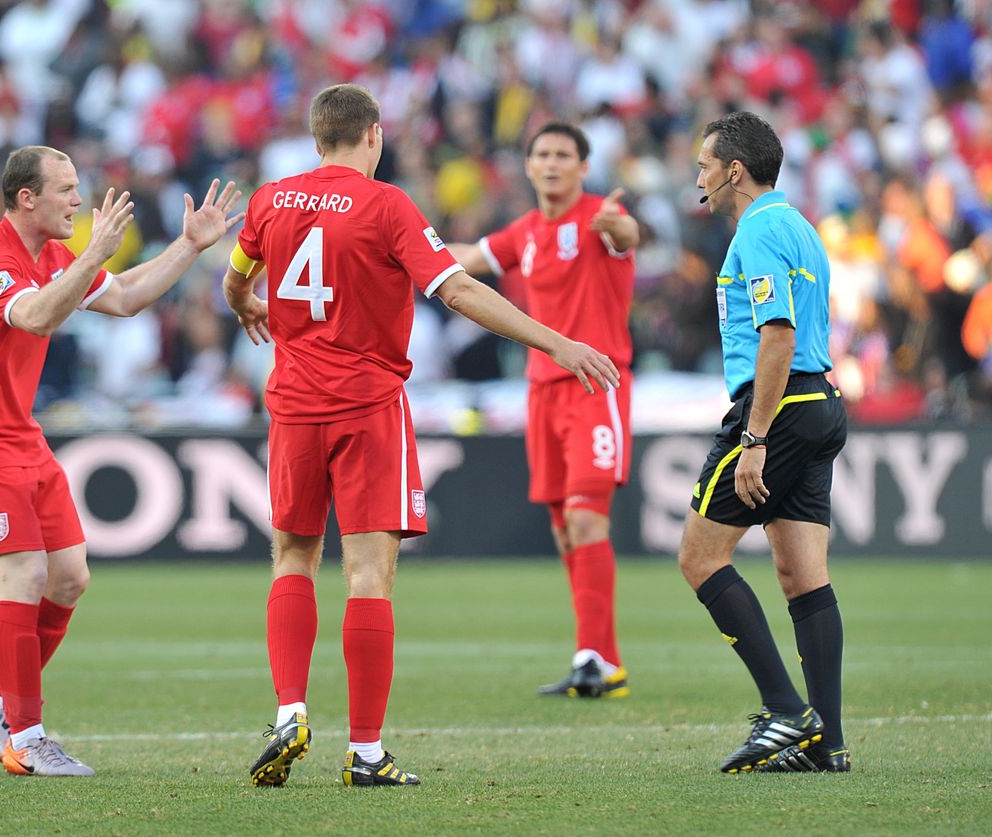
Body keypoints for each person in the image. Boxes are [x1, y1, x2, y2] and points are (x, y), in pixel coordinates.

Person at [222, 84, 621, 788]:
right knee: (368, 573)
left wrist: (246, 302)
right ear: (373, 135)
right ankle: (367, 752)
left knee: (292, 555)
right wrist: (556, 342)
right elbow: (459, 291)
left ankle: (289, 709)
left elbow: (234, 279)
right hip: (367, 403)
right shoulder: (386, 205)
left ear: (317, 138)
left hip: (290, 402)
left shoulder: (270, 200)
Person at [0, 145, 242, 777]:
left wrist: (191, 246)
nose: (79, 199)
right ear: (26, 198)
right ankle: (27, 736)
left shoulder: (49, 256)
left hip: (19, 433)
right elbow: (37, 317)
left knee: (70, 578)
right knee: (25, 577)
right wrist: (94, 254)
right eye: (67, 189)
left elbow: (124, 296)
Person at [682, 111, 850, 774]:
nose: (699, 178)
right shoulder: (799, 226)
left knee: (698, 556)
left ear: (734, 170)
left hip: (778, 404)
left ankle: (786, 709)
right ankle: (826, 742)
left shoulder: (756, 232)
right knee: (802, 572)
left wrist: (754, 435)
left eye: (704, 166)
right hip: (821, 401)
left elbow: (776, 334)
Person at [447, 122, 638, 700]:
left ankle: (595, 660)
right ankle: (600, 660)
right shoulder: (525, 232)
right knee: (562, 528)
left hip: (594, 384)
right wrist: (396, 250)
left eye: (564, 155)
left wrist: (622, 226)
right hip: (540, 391)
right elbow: (466, 258)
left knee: (586, 518)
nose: (552, 164)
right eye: (542, 155)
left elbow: (628, 235)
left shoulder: (598, 220)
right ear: (528, 167)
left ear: (583, 167)